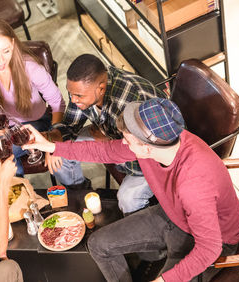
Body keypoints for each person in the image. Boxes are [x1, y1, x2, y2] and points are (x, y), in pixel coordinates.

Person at [23, 98, 239, 281]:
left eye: (128, 140)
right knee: (97, 244)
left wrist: (164, 280)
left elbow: (210, 248)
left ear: (146, 147)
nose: (123, 144)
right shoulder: (164, 142)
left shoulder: (193, 185)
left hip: (213, 240)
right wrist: (49, 145)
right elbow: (105, 152)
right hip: (173, 214)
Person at [45, 53, 168, 213]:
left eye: (79, 96)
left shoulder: (129, 101)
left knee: (127, 199)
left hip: (149, 157)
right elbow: (70, 125)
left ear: (101, 88)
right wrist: (55, 143)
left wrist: (108, 140)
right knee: (61, 156)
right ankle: (83, 195)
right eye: (71, 94)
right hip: (113, 137)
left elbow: (139, 154)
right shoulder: (83, 89)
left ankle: (139, 224)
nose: (73, 100)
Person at [0, 18, 66, 189]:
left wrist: (55, 140)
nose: (0, 60)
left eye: (6, 51)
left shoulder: (30, 67)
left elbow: (57, 103)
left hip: (36, 121)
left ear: (13, 44)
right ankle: (9, 196)